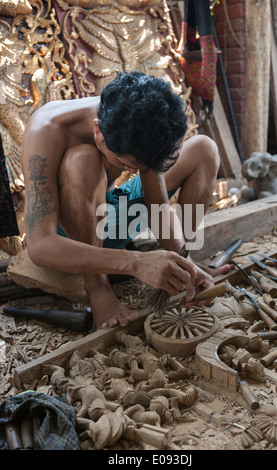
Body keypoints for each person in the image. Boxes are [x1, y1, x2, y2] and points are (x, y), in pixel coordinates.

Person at [22, 71, 231, 329]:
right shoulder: (46, 129)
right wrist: (136, 263)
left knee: (205, 148)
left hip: (110, 220)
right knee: (83, 160)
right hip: (70, 241)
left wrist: (183, 262)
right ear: (98, 130)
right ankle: (97, 284)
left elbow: (158, 205)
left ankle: (184, 256)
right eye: (126, 164)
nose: (131, 172)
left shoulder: (138, 118)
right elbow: (40, 246)